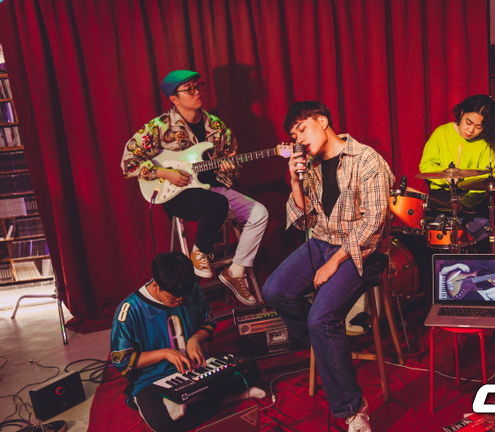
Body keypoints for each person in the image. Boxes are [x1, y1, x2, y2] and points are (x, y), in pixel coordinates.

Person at [262, 101, 395, 432]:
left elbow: (373, 225)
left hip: (363, 251)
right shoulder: (311, 165)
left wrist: (334, 263)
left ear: (322, 121)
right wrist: (294, 181)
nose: (299, 139)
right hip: (322, 241)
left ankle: (353, 409)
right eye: (294, 136)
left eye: (302, 129)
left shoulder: (367, 160)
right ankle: (324, 346)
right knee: (275, 291)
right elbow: (305, 219)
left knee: (321, 319)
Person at [121, 69, 268, 306]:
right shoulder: (159, 127)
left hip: (211, 189)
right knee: (216, 203)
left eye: (198, 86)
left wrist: (230, 167)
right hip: (176, 193)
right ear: (174, 98)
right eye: (189, 89)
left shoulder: (217, 126)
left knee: (259, 213)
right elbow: (129, 163)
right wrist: (164, 172)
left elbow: (232, 165)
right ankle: (200, 251)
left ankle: (236, 270)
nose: (196, 92)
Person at [110, 252, 265, 432]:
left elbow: (208, 322)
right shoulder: (130, 309)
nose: (180, 301)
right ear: (156, 284)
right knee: (163, 424)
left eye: (183, 297)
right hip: (154, 378)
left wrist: (195, 340)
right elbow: (122, 360)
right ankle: (220, 398)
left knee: (249, 370)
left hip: (196, 367)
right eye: (174, 298)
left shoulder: (192, 290)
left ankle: (200, 402)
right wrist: (165, 353)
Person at [418, 95, 495, 247]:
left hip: (471, 200)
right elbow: (426, 165)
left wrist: (466, 203)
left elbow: (488, 179)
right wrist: (445, 178)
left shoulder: (485, 145)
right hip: (441, 199)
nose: (471, 130)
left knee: (483, 233)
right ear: (461, 113)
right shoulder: (442, 133)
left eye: (478, 127)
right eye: (468, 122)